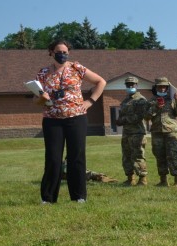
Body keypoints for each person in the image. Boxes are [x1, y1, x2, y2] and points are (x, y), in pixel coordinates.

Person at [33, 39, 106, 204]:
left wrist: (90, 102)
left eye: (65, 52)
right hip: (52, 120)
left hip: (76, 119)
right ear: (51, 52)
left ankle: (79, 196)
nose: (62, 55)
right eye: (58, 52)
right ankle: (48, 198)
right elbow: (35, 101)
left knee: (76, 157)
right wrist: (41, 98)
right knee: (53, 158)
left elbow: (101, 82)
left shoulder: (77, 68)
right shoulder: (43, 73)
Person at [145, 77, 177, 187]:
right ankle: (163, 181)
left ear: (167, 88)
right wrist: (156, 107)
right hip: (157, 131)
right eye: (160, 87)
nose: (162, 89)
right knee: (160, 156)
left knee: (173, 155)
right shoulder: (151, 101)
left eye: (164, 87)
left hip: (171, 132)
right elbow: (146, 117)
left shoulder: (172, 99)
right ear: (156, 87)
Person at [116, 76, 149, 186]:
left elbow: (139, 116)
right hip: (126, 132)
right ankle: (130, 178)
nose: (130, 86)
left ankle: (143, 179)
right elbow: (122, 115)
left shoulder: (141, 100)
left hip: (137, 133)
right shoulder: (126, 100)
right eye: (128, 85)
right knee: (126, 156)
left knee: (138, 155)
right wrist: (119, 120)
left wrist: (124, 119)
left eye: (132, 84)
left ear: (136, 85)